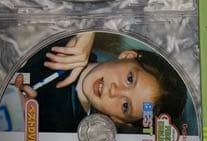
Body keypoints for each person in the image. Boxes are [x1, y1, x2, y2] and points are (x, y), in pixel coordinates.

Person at [10, 31, 189, 134]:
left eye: (125, 106)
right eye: (129, 79)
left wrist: (20, 122)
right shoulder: (75, 39)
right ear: (128, 55)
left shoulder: (63, 131)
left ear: (118, 119)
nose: (115, 91)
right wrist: (86, 28)